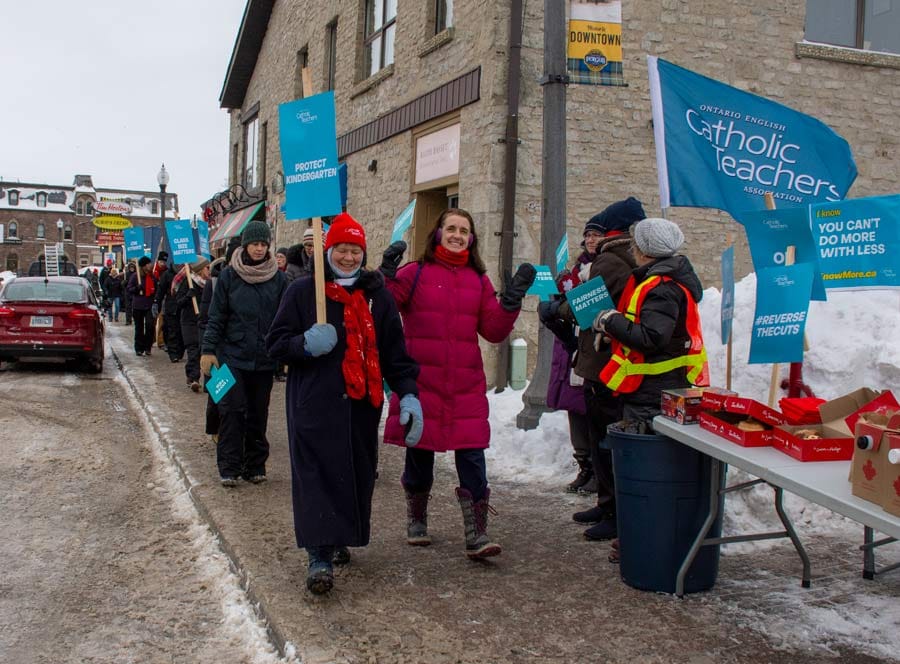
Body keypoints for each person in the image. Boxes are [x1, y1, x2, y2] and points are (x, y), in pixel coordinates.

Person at [267, 212, 422, 595]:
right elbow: (274, 344)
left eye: (355, 250)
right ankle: (318, 555)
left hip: (361, 404)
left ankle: (338, 537)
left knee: (354, 474)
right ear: (328, 250)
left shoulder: (377, 296)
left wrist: (409, 393)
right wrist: (304, 343)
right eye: (341, 249)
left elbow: (395, 353)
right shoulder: (303, 292)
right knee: (317, 475)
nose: (349, 257)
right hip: (314, 402)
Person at [379, 208, 536, 560]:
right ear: (438, 233)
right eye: (451, 228)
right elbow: (386, 308)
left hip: (464, 382)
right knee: (419, 451)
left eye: (464, 230)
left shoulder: (478, 280)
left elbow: (493, 331)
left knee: (472, 453)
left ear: (472, 238)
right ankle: (417, 519)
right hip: (422, 380)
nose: (457, 234)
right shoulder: (415, 273)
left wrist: (510, 302)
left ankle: (477, 533)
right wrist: (384, 276)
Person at [552, 197, 645, 543]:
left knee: (604, 440)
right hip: (610, 360)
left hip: (605, 363)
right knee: (601, 438)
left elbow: (584, 306)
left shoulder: (609, 260)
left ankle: (612, 511)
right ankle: (606, 505)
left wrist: (557, 311)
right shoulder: (626, 258)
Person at [594, 216, 709, 427]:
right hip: (657, 387)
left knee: (642, 453)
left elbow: (652, 337)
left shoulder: (661, 287)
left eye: (634, 245)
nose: (631, 250)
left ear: (644, 251)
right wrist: (615, 335)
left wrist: (610, 321)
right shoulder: (663, 280)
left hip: (651, 393)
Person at [200, 221, 287, 488]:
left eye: (263, 244)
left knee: (258, 413)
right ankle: (229, 467)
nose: (259, 249)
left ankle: (255, 466)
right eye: (255, 244)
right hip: (230, 356)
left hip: (263, 358)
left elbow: (283, 320)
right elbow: (216, 317)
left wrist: (283, 354)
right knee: (231, 410)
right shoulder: (229, 276)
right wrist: (208, 350)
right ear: (245, 245)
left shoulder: (278, 278)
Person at [175, 258, 210, 392]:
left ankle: (209, 382)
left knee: (206, 350)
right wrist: (188, 296)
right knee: (193, 350)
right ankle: (193, 378)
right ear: (200, 269)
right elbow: (179, 303)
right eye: (207, 268)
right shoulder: (188, 283)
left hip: (204, 320)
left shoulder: (209, 284)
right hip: (189, 321)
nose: (209, 270)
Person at [155, 255, 185, 363]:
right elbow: (161, 291)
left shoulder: (187, 274)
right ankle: (173, 354)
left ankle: (180, 352)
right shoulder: (167, 275)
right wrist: (156, 303)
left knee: (182, 331)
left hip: (183, 306)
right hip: (171, 306)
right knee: (173, 331)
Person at [126, 256, 158, 357]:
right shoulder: (136, 276)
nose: (150, 265)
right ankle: (139, 348)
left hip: (149, 305)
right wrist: (137, 288)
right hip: (138, 305)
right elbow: (129, 289)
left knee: (150, 326)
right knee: (139, 328)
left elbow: (156, 289)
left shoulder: (152, 277)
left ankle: (147, 347)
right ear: (144, 266)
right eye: (148, 264)